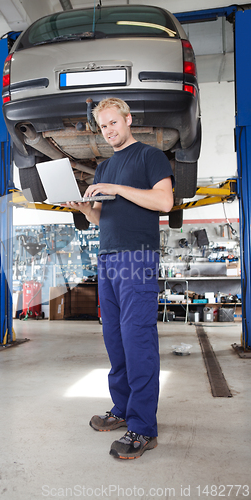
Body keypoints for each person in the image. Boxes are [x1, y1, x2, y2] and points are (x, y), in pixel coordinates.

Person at [65, 97, 174, 460]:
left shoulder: (150, 156)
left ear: (127, 120)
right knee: (115, 339)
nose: (109, 131)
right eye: (103, 126)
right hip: (108, 259)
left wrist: (117, 190)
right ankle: (123, 408)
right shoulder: (102, 168)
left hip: (137, 258)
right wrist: (83, 207)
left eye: (114, 123)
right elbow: (100, 219)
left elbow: (164, 202)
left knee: (137, 339)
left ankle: (143, 428)